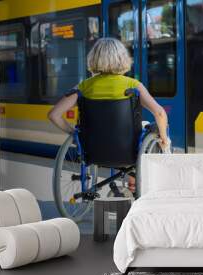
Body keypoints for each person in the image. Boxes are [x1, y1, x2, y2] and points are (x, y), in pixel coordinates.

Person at [48, 37, 169, 193]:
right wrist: (164, 139)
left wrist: (75, 134)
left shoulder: (84, 86)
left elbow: (54, 115)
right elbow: (159, 113)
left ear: (94, 59)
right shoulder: (132, 85)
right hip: (128, 153)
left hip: (93, 153)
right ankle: (138, 182)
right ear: (122, 59)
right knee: (152, 128)